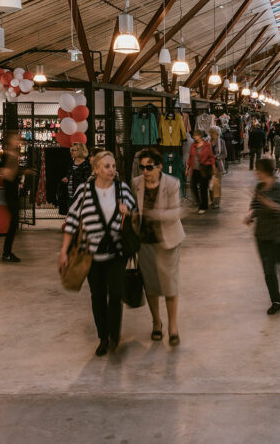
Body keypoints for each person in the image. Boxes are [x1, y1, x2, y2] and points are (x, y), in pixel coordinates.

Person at [59, 150, 137, 356]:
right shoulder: (83, 191)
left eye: (113, 166)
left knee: (117, 294)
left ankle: (113, 335)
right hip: (91, 254)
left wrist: (128, 213)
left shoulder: (123, 190)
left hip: (117, 252)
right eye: (107, 166)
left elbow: (136, 219)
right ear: (96, 169)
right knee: (98, 296)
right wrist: (64, 251)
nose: (112, 170)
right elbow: (72, 221)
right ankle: (103, 336)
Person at [131, 148, 184, 346]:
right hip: (145, 241)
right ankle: (156, 322)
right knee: (151, 285)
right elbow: (134, 209)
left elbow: (175, 213)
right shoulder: (136, 183)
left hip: (167, 241)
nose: (145, 171)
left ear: (159, 166)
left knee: (170, 285)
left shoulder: (171, 183)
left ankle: (173, 326)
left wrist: (153, 214)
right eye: (142, 167)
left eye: (149, 167)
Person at [246, 158, 280, 314]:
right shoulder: (259, 187)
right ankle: (276, 298)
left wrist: (266, 202)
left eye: (258, 169)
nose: (256, 173)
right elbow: (254, 205)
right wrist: (250, 215)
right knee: (269, 269)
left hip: (277, 234)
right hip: (261, 234)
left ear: (265, 171)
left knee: (270, 268)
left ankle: (276, 301)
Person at [0, 132, 25, 263]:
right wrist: (20, 171)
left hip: (13, 193)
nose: (19, 141)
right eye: (16, 139)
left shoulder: (12, 155)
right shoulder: (8, 156)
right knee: (13, 223)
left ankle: (7, 252)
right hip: (9, 194)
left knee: (14, 223)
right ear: (10, 141)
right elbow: (6, 175)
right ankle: (6, 253)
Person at [187, 129, 214, 215]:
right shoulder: (193, 145)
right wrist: (187, 168)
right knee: (193, 186)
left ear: (200, 136)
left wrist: (213, 168)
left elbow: (211, 156)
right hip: (194, 169)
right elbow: (190, 157)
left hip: (204, 169)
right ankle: (199, 203)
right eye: (194, 135)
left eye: (196, 135)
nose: (194, 137)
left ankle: (203, 207)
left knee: (203, 189)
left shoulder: (207, 145)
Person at [60, 142, 91, 216]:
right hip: (70, 195)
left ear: (80, 151)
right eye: (71, 150)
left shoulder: (86, 165)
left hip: (81, 197)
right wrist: (66, 179)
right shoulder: (71, 163)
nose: (71, 152)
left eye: (74, 150)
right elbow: (69, 175)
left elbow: (87, 181)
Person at [208, 126, 227, 209]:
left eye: (213, 133)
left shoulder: (221, 142)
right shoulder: (208, 142)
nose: (211, 134)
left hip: (218, 167)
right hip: (208, 166)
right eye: (210, 132)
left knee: (216, 186)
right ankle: (212, 201)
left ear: (217, 134)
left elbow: (225, 154)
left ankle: (216, 203)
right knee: (210, 185)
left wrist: (216, 157)